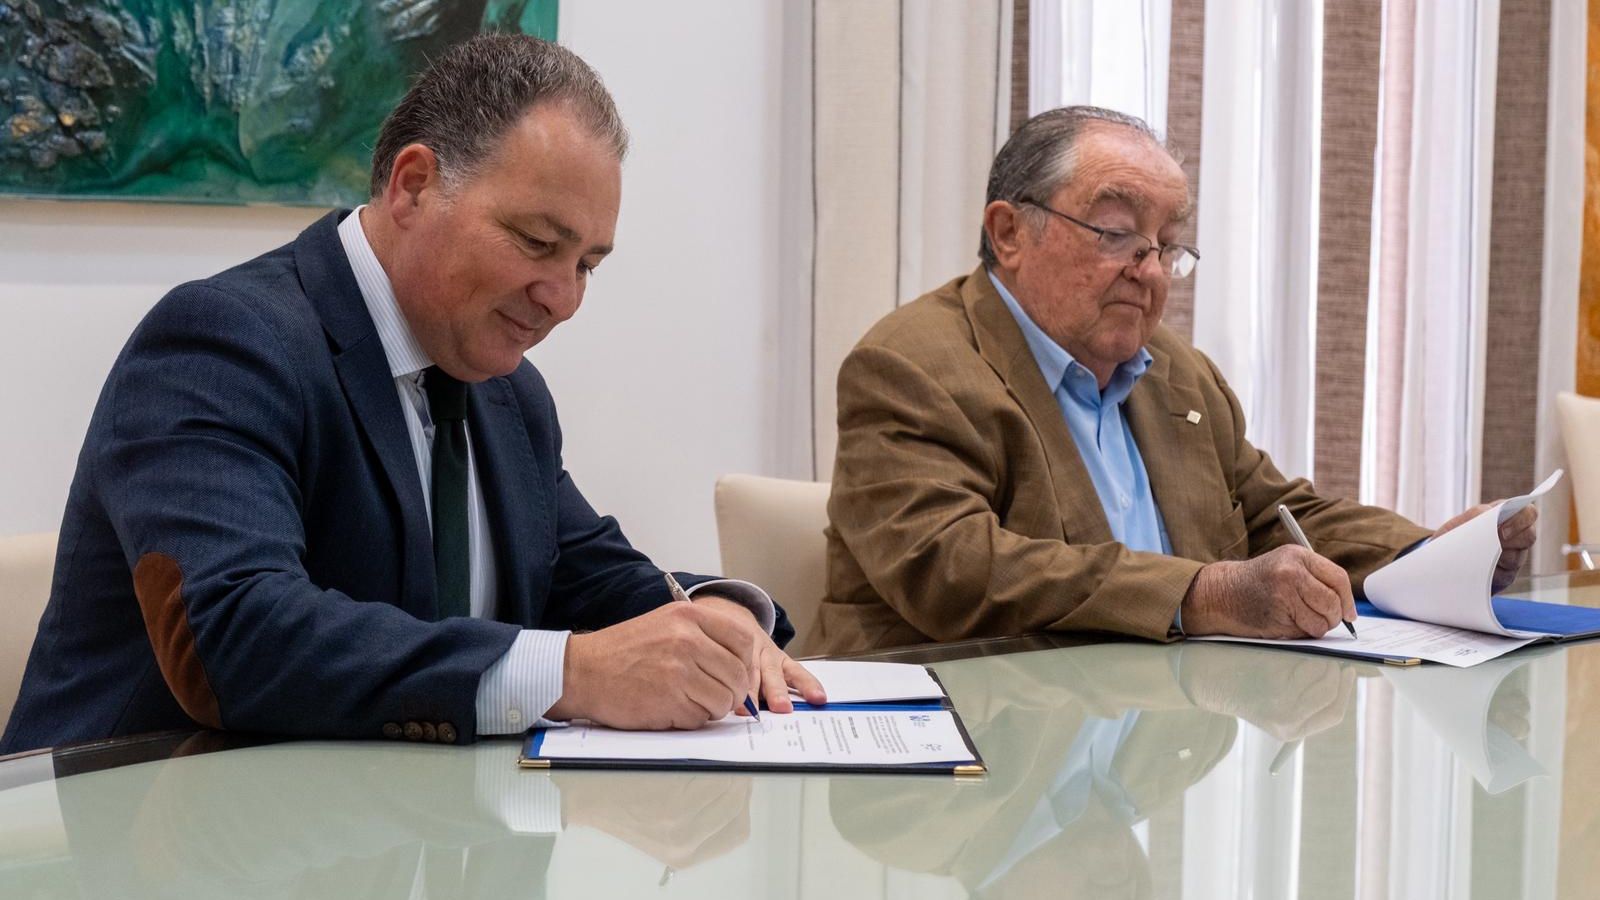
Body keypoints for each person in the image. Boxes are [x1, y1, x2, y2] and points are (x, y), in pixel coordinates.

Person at [1, 34, 822, 755]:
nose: (564, 299)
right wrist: (571, 673)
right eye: (538, 243)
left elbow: (583, 576)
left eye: (587, 266)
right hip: (139, 833)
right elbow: (235, 639)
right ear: (414, 184)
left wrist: (714, 618)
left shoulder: (510, 395)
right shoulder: (222, 340)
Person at [816, 105, 1538, 655]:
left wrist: (1432, 557)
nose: (1151, 269)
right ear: (1009, 233)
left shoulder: (1176, 374)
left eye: (1168, 244)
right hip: (964, 763)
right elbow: (951, 568)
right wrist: (1199, 593)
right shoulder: (911, 366)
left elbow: (1274, 516)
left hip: (1146, 744)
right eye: (1117, 233)